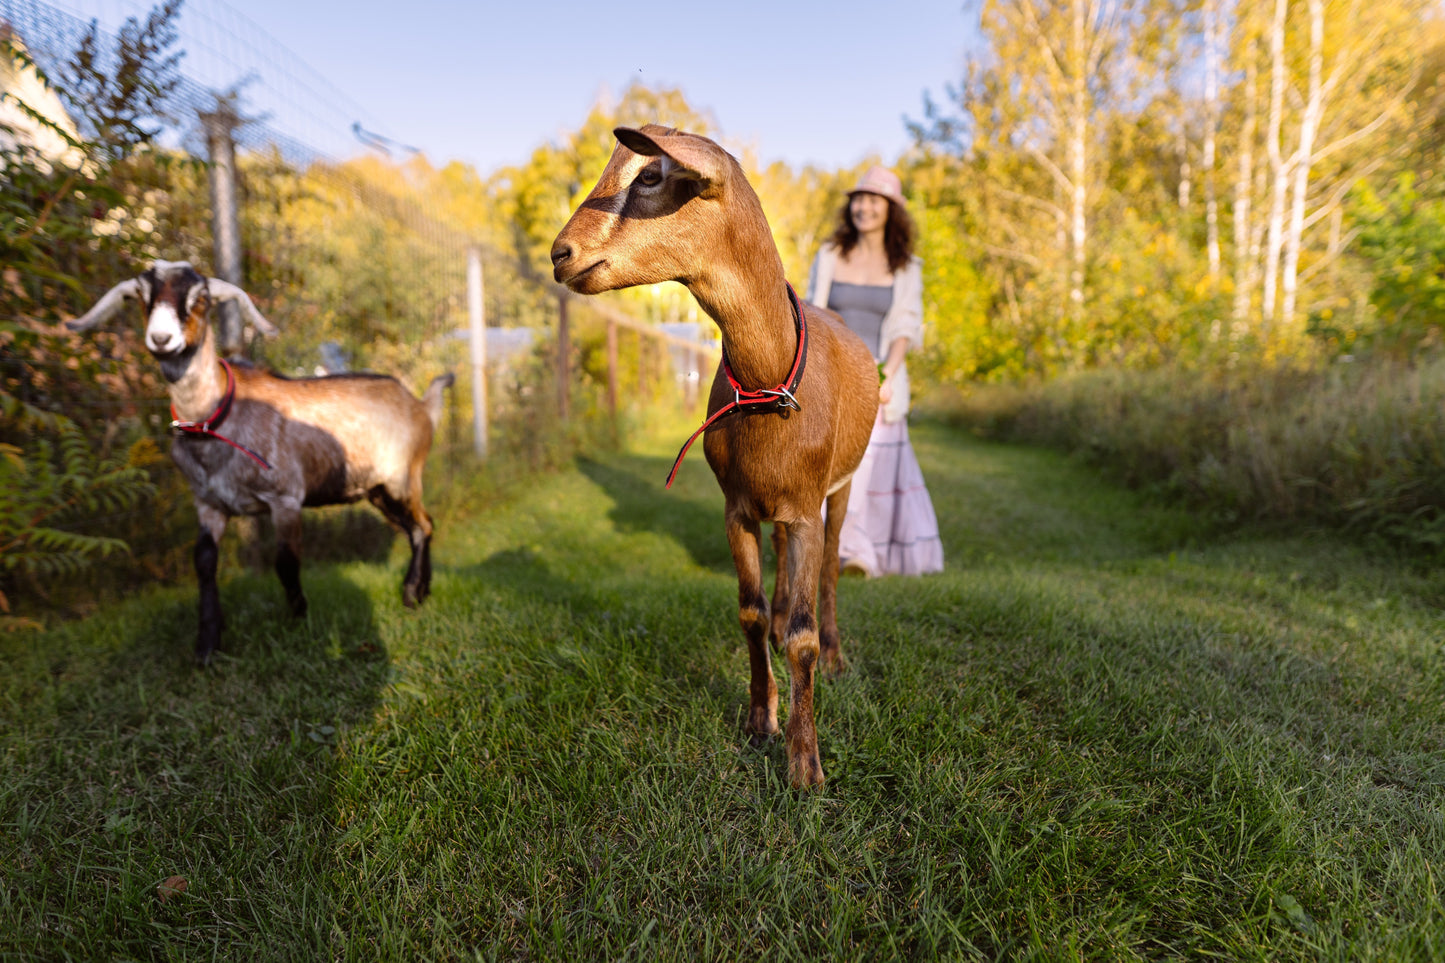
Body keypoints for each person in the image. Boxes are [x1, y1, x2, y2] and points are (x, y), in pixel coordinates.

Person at [807, 165, 944, 577]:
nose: (864, 208)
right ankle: (824, 546)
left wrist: (886, 375)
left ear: (891, 210)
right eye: (859, 199)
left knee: (867, 468)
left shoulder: (906, 266)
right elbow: (813, 312)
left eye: (874, 200)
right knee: (823, 464)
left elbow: (905, 325)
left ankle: (854, 550)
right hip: (831, 377)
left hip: (880, 379)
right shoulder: (830, 255)